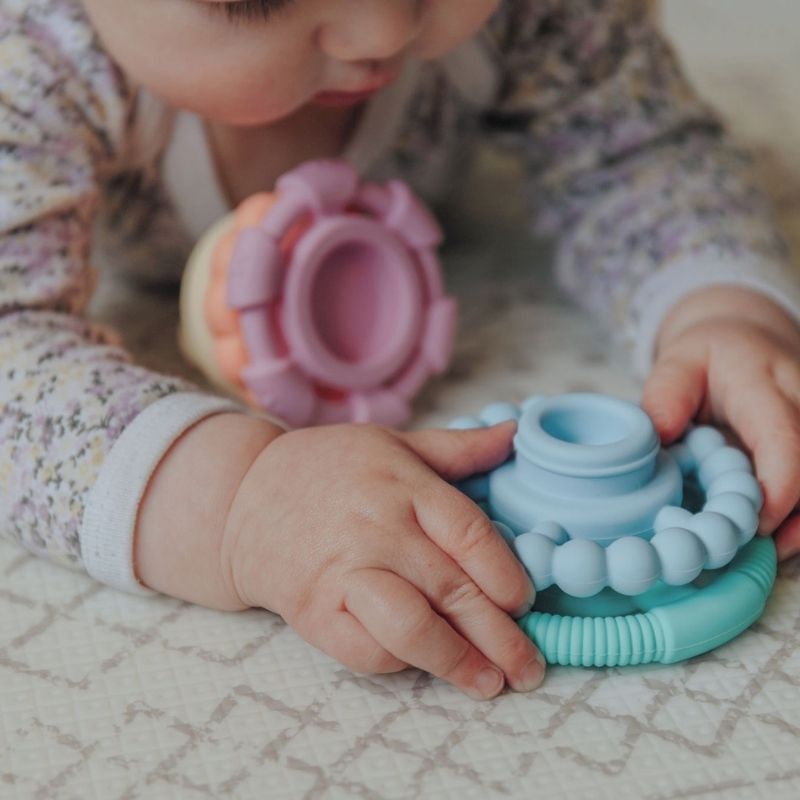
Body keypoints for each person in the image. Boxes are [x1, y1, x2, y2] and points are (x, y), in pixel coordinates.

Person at [3, 0, 800, 703]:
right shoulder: (29, 63)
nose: (382, 26)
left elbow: (640, 152)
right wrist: (241, 499)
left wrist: (724, 310)